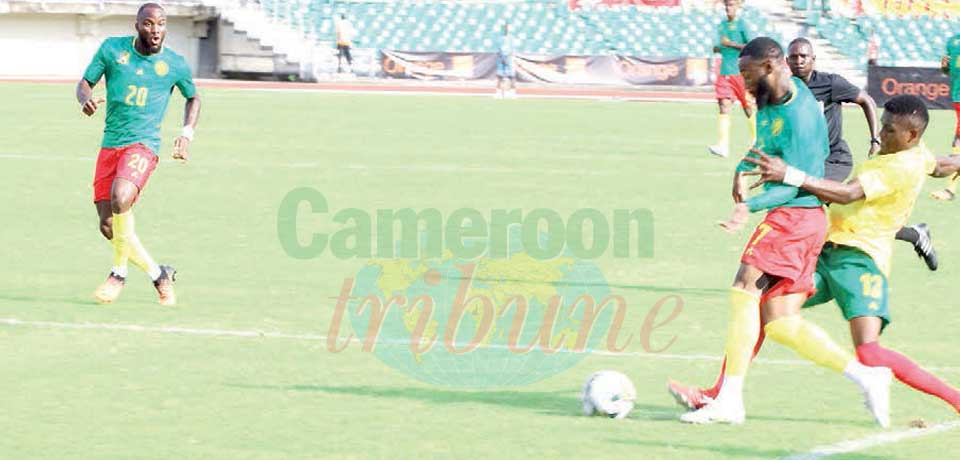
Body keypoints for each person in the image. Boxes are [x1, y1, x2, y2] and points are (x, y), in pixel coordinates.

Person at [680, 37, 891, 426]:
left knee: (744, 287)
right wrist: (740, 168)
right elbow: (763, 147)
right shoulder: (768, 100)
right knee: (778, 322)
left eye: (747, 74)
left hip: (796, 215)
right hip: (794, 218)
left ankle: (729, 400)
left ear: (772, 66)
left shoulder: (801, 114)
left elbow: (796, 183)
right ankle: (867, 377)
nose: (743, 82)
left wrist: (748, 206)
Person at [739, 95, 960, 416]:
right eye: (883, 126)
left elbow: (849, 192)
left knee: (869, 353)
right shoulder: (917, 154)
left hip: (861, 261)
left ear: (910, 136)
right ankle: (725, 393)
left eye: (889, 130)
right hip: (828, 252)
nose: (881, 134)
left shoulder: (900, 166)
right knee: (764, 312)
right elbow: (939, 165)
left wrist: (791, 175)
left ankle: (953, 398)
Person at [77, 2, 201, 306]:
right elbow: (84, 84)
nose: (155, 30)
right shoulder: (112, 50)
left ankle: (117, 273)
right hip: (110, 144)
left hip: (143, 145)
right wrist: (85, 100)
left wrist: (186, 134)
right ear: (137, 25)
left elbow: (193, 97)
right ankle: (159, 274)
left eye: (160, 24)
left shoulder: (174, 64)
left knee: (121, 196)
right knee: (108, 226)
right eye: (148, 24)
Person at [786, 37, 937, 271]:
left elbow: (865, 99)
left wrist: (875, 138)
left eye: (803, 56)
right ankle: (914, 234)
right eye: (794, 57)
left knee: (814, 199)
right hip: (806, 161)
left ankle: (803, 260)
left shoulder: (831, 83)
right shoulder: (787, 90)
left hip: (833, 158)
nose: (799, 61)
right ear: (787, 61)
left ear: (813, 59)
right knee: (846, 212)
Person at [708, 0, 756, 158]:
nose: (728, 8)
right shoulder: (722, 25)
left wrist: (731, 44)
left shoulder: (742, 25)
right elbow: (720, 46)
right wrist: (717, 48)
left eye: (731, 5)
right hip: (725, 72)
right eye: (726, 5)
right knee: (723, 104)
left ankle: (758, 139)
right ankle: (723, 145)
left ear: (737, 7)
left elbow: (751, 47)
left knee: (747, 107)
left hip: (740, 73)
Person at [930, 32, 960, 201]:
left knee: (958, 142)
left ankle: (950, 189)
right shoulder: (953, 41)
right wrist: (944, 66)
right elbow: (948, 70)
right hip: (957, 96)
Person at [496, 24, 517, 99]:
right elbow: (498, 49)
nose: (506, 30)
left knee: (511, 76)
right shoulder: (500, 38)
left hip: (509, 59)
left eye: (507, 28)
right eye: (505, 28)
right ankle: (498, 93)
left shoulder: (511, 38)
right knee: (499, 76)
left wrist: (509, 57)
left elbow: (513, 50)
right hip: (501, 59)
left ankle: (512, 92)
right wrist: (501, 57)